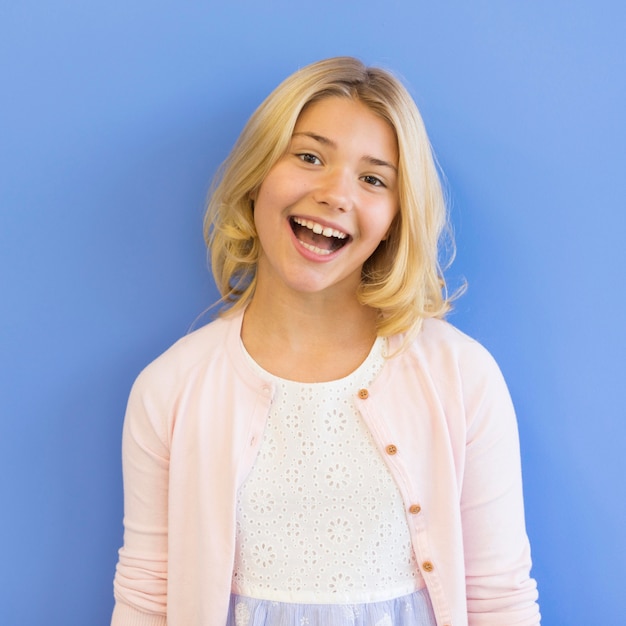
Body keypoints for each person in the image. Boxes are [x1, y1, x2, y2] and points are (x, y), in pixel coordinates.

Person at [111, 57, 540, 626]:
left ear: (394, 217)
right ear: (259, 174)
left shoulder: (461, 376)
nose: (336, 194)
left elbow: (500, 599)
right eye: (309, 156)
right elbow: (145, 600)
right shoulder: (170, 389)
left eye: (373, 179)